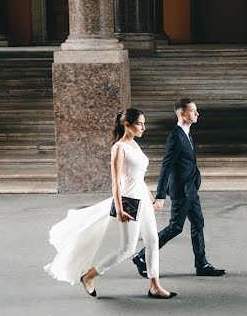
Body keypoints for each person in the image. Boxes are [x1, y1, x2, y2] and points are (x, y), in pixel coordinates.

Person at [44, 108, 176, 299]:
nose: (143, 128)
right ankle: (89, 276)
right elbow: (116, 182)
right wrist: (120, 209)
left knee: (153, 241)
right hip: (129, 201)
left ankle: (154, 285)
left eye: (143, 124)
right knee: (127, 249)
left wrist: (151, 198)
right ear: (126, 125)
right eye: (140, 124)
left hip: (143, 200)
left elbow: (139, 178)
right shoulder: (119, 147)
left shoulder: (135, 145)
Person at [131, 98, 226, 278]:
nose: (197, 113)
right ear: (182, 113)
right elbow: (166, 166)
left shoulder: (187, 132)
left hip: (191, 188)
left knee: (198, 223)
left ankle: (202, 264)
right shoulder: (175, 136)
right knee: (175, 227)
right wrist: (160, 196)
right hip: (181, 190)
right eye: (193, 111)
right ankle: (141, 256)